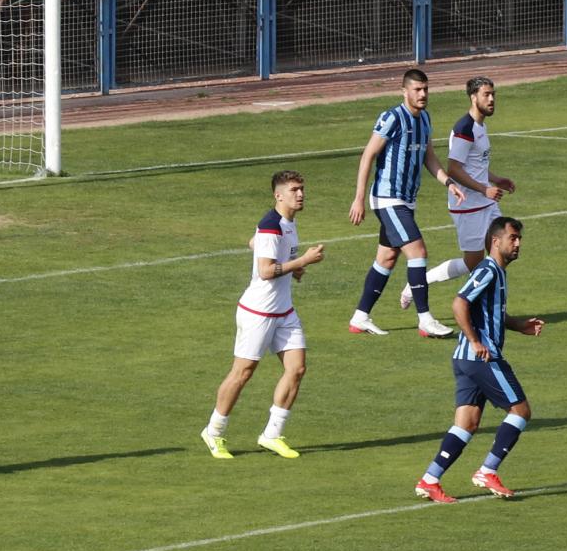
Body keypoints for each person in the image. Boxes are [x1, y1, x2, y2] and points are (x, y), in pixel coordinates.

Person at [347, 67, 488, 341]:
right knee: (418, 252)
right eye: (417, 90)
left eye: (425, 89)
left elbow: (429, 157)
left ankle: (360, 316)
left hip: (407, 201)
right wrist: (359, 198)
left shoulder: (424, 119)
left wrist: (448, 182)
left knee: (387, 258)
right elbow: (368, 155)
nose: (423, 94)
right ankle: (425, 320)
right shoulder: (392, 118)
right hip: (388, 198)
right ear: (405, 91)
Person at [415, 215, 546, 502]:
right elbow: (459, 303)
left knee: (467, 424)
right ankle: (488, 470)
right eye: (513, 238)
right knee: (521, 411)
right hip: (482, 358)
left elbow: (491, 313)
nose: (518, 244)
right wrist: (475, 341)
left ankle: (429, 480)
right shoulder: (488, 270)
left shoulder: (498, 272)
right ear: (496, 241)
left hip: (465, 359)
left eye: (519, 239)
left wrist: (520, 325)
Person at [203, 170, 326, 460]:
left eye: (302, 188)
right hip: (258, 312)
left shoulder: (287, 223)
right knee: (242, 373)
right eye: (294, 190)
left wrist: (292, 267)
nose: (301, 194)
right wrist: (303, 260)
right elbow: (266, 271)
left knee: (297, 369)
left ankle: (272, 434)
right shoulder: (272, 225)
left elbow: (253, 243)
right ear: (278, 195)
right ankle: (214, 431)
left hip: (284, 311)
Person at [410, 75, 514, 303]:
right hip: (468, 206)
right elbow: (454, 169)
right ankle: (419, 283)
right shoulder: (464, 129)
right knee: (472, 263)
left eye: (493, 94)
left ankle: (490, 305)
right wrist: (484, 189)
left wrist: (497, 180)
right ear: (473, 97)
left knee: (503, 248)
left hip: (486, 203)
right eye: (486, 95)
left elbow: (475, 165)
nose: (491, 99)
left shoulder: (480, 126)